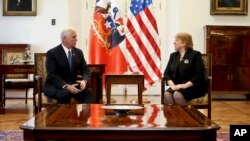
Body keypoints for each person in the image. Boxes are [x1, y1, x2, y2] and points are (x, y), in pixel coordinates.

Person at [44, 28, 93, 104]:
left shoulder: (78, 52)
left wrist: (84, 81)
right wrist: (67, 86)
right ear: (64, 39)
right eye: (74, 37)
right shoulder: (52, 53)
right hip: (56, 86)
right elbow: (52, 74)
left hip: (73, 86)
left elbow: (85, 69)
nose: (76, 40)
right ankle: (63, 116)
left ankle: (85, 116)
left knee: (88, 92)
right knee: (65, 93)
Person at [163, 32, 208, 105]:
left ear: (184, 43)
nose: (174, 43)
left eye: (176, 41)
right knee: (167, 94)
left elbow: (200, 75)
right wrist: (172, 85)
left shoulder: (195, 55)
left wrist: (184, 85)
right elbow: (166, 73)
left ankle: (185, 116)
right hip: (177, 86)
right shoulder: (173, 56)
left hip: (193, 86)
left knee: (177, 95)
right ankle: (174, 116)